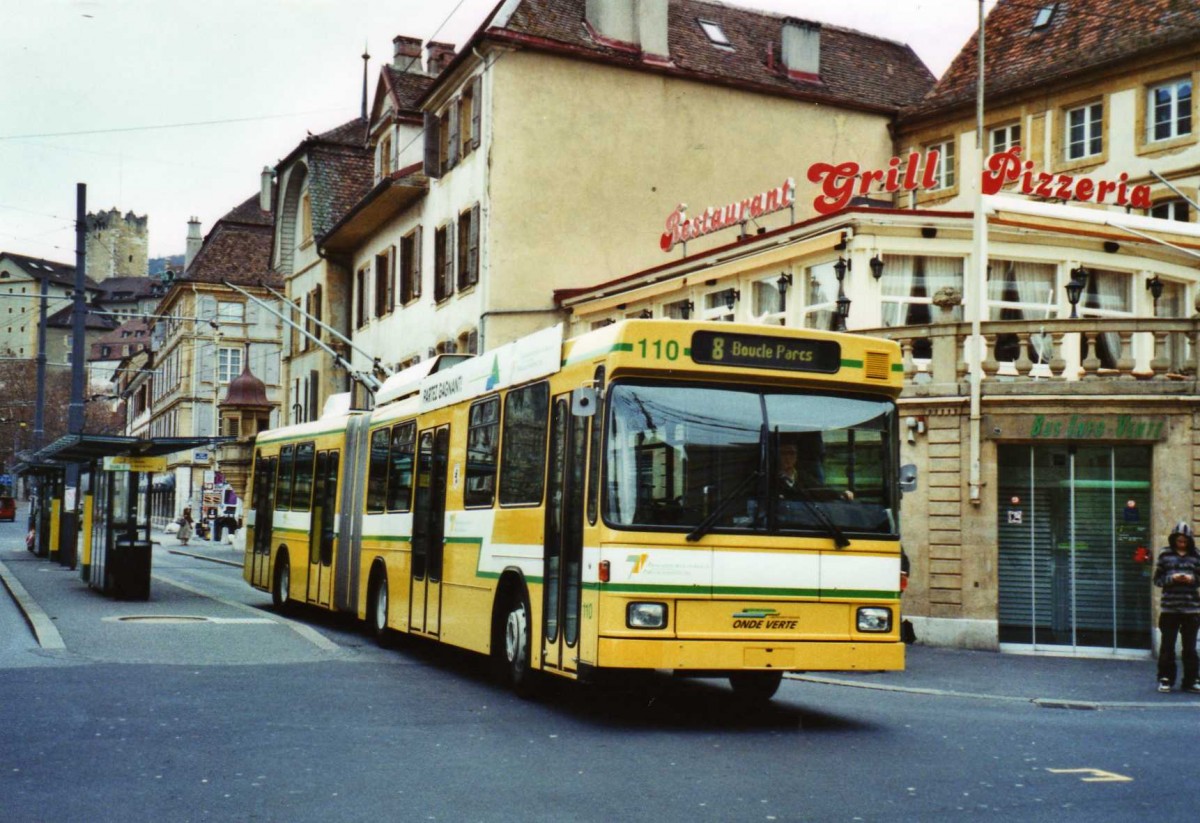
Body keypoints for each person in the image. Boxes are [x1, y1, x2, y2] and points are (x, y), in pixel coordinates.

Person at [1152, 521, 1200, 693]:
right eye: (1179, 540)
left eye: (1185, 541)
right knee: (1167, 646)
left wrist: (1192, 579)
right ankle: (1165, 679)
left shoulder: (1196, 555)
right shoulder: (1165, 554)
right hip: (1169, 608)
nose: (1182, 544)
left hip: (1191, 608)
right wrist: (1171, 578)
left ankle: (1191, 680)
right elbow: (1157, 580)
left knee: (1190, 648)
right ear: (1173, 539)